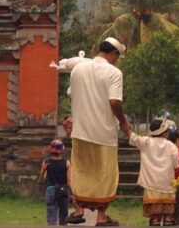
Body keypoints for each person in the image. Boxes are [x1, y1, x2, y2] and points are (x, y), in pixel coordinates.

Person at [60, 37, 130, 227]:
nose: (117, 60)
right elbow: (114, 102)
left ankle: (79, 209)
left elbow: (73, 96)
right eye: (117, 56)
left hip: (80, 132)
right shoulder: (114, 73)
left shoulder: (77, 69)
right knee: (104, 174)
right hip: (104, 134)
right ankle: (101, 216)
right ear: (114, 53)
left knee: (81, 170)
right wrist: (123, 122)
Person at [129, 119, 179, 226]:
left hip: (150, 181)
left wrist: (127, 128)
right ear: (165, 133)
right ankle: (168, 219)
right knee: (167, 205)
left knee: (154, 208)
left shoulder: (146, 142)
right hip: (167, 182)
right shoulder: (171, 146)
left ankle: (155, 219)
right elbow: (176, 163)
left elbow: (133, 137)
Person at [38, 139, 71, 225]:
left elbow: (41, 178)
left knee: (51, 214)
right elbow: (69, 180)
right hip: (63, 189)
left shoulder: (46, 162)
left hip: (51, 190)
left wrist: (42, 177)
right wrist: (71, 192)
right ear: (61, 150)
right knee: (63, 214)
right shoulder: (66, 162)